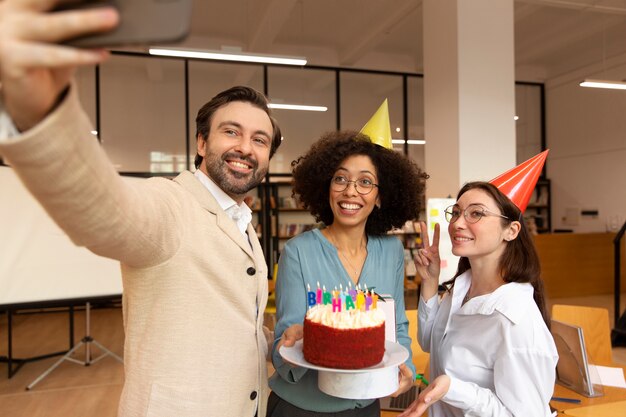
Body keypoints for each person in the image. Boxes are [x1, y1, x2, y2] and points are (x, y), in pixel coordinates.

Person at [0, 2, 282, 416]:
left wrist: (276, 340)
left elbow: (226, 319)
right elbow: (103, 210)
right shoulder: (170, 205)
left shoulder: (242, 221)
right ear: (202, 144)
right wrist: (40, 112)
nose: (245, 147)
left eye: (260, 139)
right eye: (231, 132)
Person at [268, 130, 429, 416]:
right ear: (326, 187)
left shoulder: (391, 250)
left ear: (380, 196)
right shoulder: (298, 252)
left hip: (367, 405)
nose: (350, 191)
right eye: (340, 179)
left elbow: (398, 326)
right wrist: (289, 345)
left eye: (365, 182)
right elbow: (284, 348)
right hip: (302, 407)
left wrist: (407, 370)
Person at [400, 178, 558, 417]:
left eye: (476, 214)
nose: (457, 224)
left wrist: (453, 389)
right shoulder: (462, 287)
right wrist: (431, 281)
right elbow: (430, 342)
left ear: (511, 230)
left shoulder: (515, 319)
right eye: (456, 213)